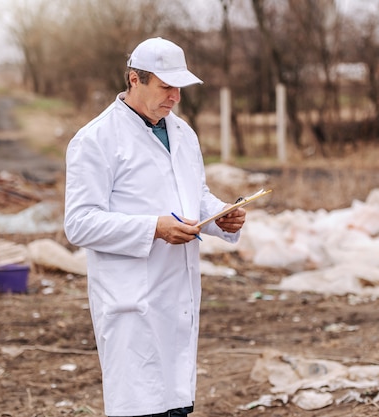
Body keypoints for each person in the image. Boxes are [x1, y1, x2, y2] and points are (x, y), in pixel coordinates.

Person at [63, 37, 246, 417]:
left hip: (177, 296)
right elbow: (79, 223)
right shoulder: (95, 140)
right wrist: (154, 228)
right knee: (140, 406)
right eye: (166, 87)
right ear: (135, 79)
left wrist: (221, 216)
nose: (175, 97)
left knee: (176, 405)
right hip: (132, 299)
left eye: (178, 87)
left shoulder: (182, 133)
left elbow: (193, 195)